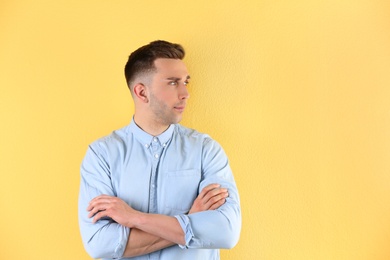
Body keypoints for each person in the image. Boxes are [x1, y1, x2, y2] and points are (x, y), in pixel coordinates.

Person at [78, 40, 241, 259]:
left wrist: (134, 218)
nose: (185, 93)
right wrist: (192, 218)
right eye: (173, 83)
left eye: (185, 82)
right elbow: (99, 244)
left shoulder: (206, 150)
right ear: (142, 92)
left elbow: (226, 231)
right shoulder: (101, 155)